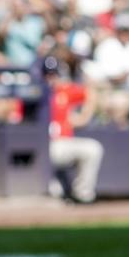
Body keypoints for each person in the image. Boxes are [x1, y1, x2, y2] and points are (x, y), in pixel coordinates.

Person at [44, 57, 103, 204]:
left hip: (63, 143)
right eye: (48, 74)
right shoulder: (37, 92)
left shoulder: (63, 91)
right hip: (43, 145)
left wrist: (84, 117)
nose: (52, 78)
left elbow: (90, 92)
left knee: (93, 148)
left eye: (54, 74)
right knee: (55, 192)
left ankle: (83, 194)